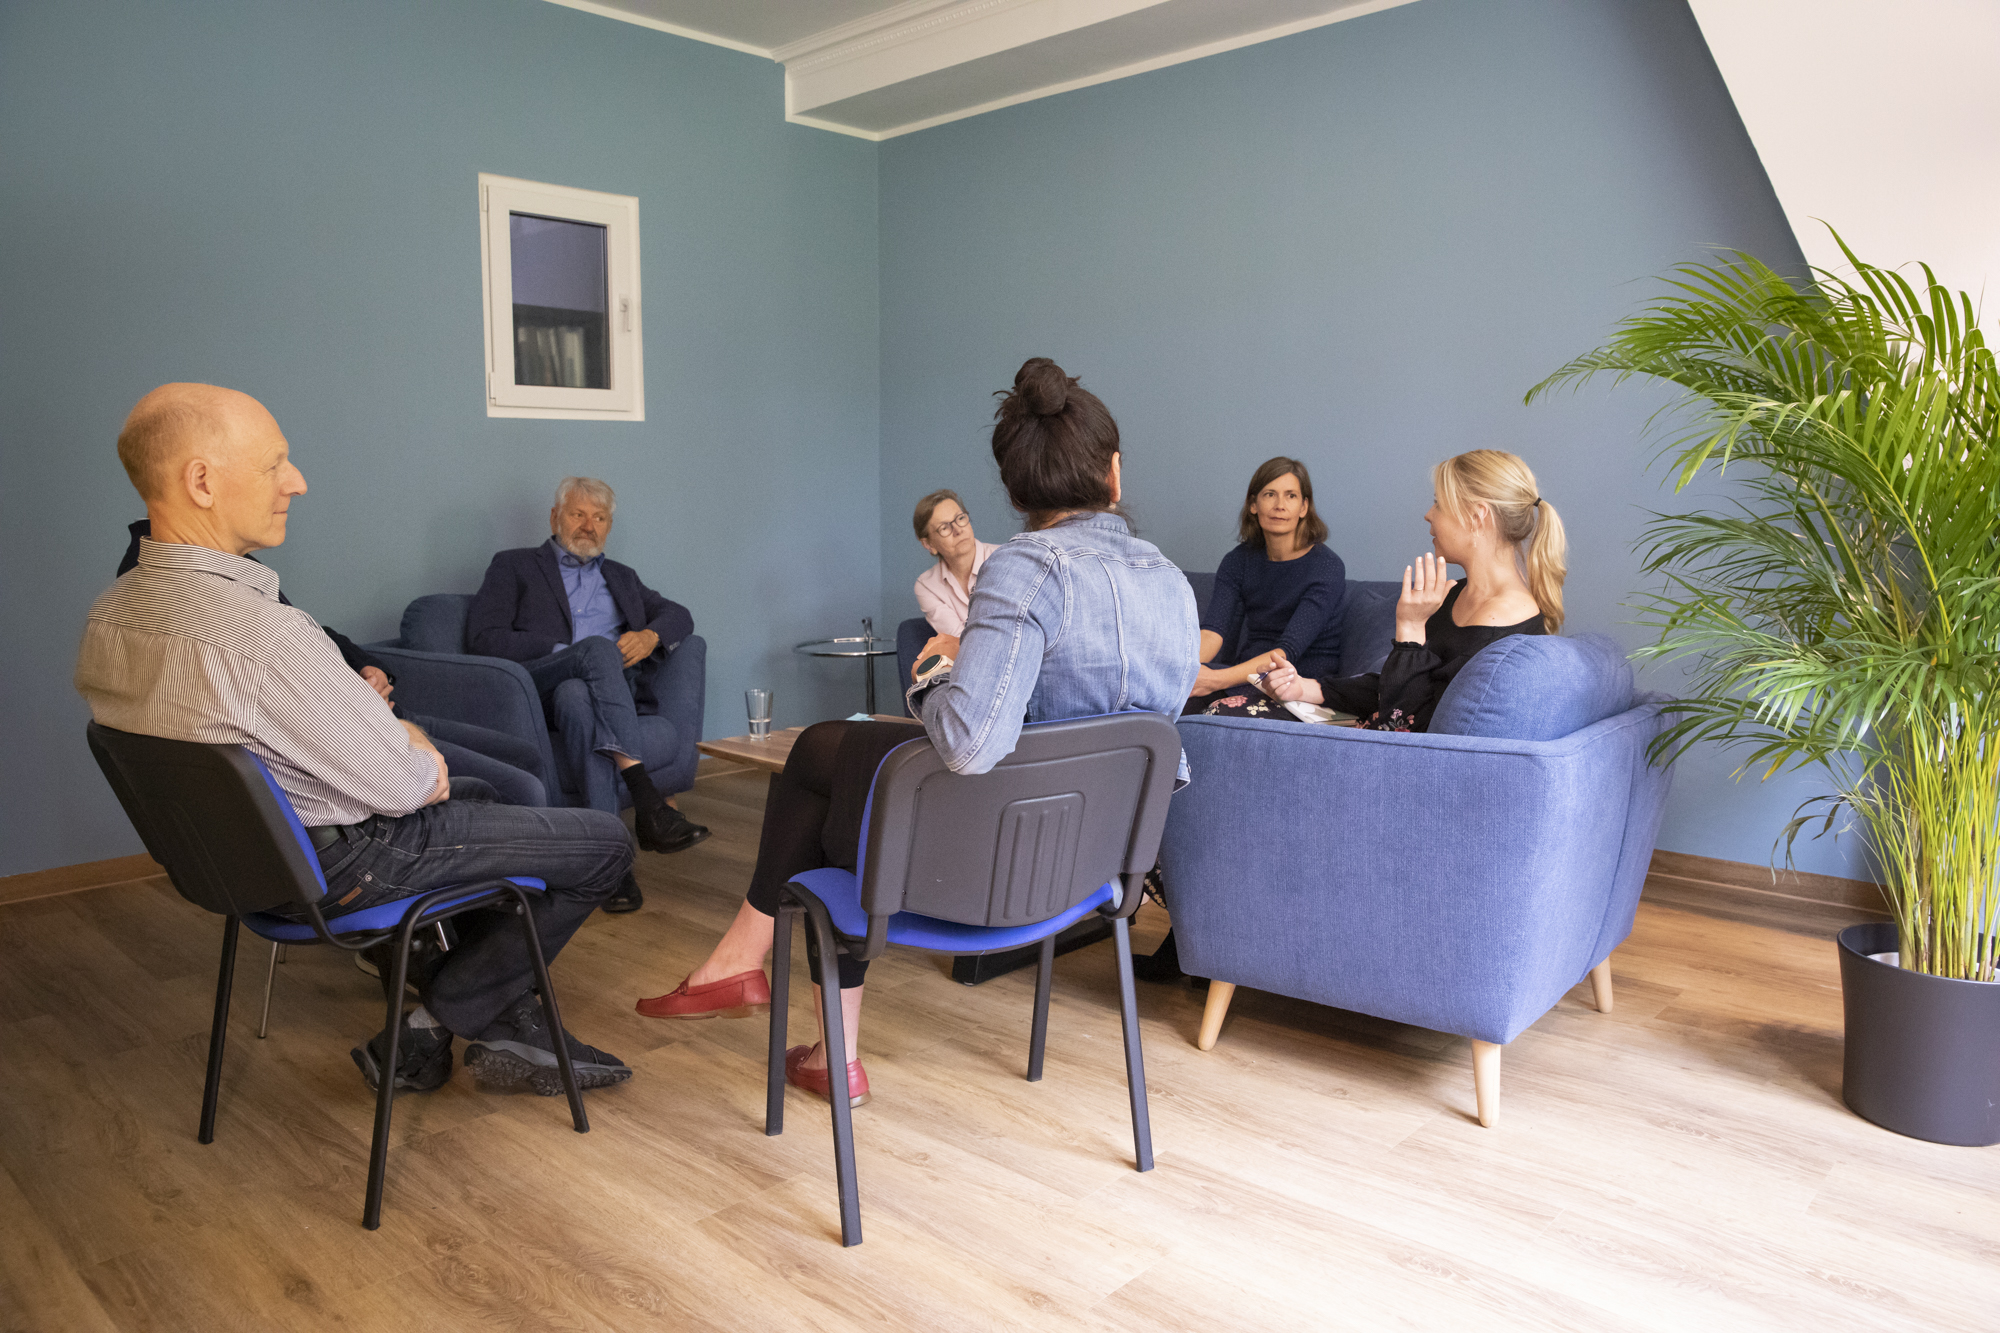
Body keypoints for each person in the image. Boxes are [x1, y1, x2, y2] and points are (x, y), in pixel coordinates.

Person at [634, 357, 1200, 1110]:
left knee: (828, 771)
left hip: (993, 873)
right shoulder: (1170, 580)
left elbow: (968, 743)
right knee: (844, 762)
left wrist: (937, 675)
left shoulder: (1024, 570)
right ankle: (774, 992)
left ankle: (795, 1010)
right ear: (1115, 475)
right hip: (1091, 873)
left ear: (1013, 492)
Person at [76, 383, 636, 1097]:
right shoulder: (265, 636)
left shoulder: (111, 616)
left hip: (248, 872)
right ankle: (437, 1019)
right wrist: (403, 736)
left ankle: (468, 1020)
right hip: (352, 862)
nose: (296, 481)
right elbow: (407, 784)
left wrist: (382, 736)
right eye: (275, 463)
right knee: (605, 845)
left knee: (489, 789)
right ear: (201, 482)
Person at [115, 518, 548, 809]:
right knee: (520, 788)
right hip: (365, 737)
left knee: (526, 756)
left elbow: (316, 632)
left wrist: (370, 669)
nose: (291, 485)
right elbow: (323, 728)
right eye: (266, 468)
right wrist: (401, 738)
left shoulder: (234, 568)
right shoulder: (182, 592)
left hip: (375, 714)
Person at [466, 477, 710, 913]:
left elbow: (680, 615)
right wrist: (570, 653)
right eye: (578, 514)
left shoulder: (622, 577)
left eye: (599, 518)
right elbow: (484, 637)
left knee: (577, 698)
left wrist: (651, 635)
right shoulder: (514, 565)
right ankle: (647, 799)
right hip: (538, 682)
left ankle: (612, 869)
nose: (588, 525)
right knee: (593, 652)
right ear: (555, 517)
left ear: (609, 527)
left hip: (591, 693)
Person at [1254, 449, 1566, 730]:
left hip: (1399, 757)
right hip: (1378, 732)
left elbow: (1407, 725)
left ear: (1476, 516)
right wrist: (1307, 688)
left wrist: (1411, 628)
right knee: (1235, 709)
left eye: (1439, 503)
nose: (1429, 514)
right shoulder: (1457, 593)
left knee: (1234, 711)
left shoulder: (1500, 628)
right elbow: (1400, 686)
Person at [1185, 456, 1346, 713]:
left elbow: (1286, 652)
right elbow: (1213, 632)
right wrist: (1183, 672)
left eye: (1291, 496)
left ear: (1304, 507)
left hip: (1298, 685)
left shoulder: (1327, 567)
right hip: (1245, 677)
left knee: (1219, 709)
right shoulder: (1238, 561)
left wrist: (1213, 680)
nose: (1280, 505)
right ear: (1253, 504)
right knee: (1172, 700)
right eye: (1270, 494)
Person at [910, 489, 999, 637]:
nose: (958, 530)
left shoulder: (1005, 559)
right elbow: (960, 642)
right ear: (928, 544)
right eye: (944, 528)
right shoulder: (927, 586)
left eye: (960, 518)